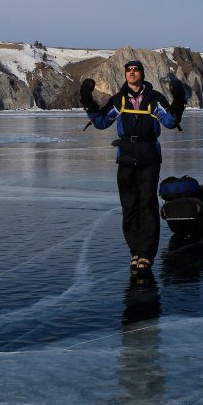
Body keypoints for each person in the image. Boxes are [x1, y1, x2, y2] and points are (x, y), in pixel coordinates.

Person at [82, 60, 184, 274]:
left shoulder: (155, 99)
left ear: (142, 74)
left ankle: (146, 254)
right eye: (128, 70)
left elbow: (170, 122)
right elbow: (101, 122)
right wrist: (86, 99)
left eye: (135, 70)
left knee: (147, 206)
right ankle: (135, 252)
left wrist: (178, 100)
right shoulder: (118, 101)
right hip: (126, 158)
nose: (131, 73)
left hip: (149, 158)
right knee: (129, 208)